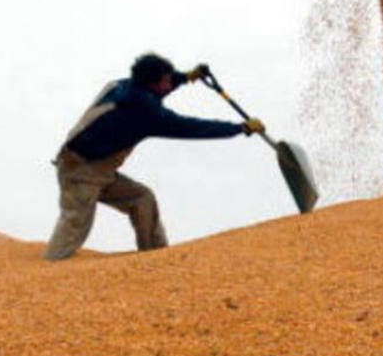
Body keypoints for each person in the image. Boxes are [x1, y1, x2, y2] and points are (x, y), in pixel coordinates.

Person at [43, 53, 265, 261]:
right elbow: (190, 127)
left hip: (101, 169)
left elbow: (158, 88)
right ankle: (47, 273)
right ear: (152, 84)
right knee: (75, 224)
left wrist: (187, 77)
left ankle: (156, 261)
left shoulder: (125, 85)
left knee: (143, 200)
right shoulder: (145, 113)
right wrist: (238, 128)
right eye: (166, 81)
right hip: (79, 170)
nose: (170, 85)